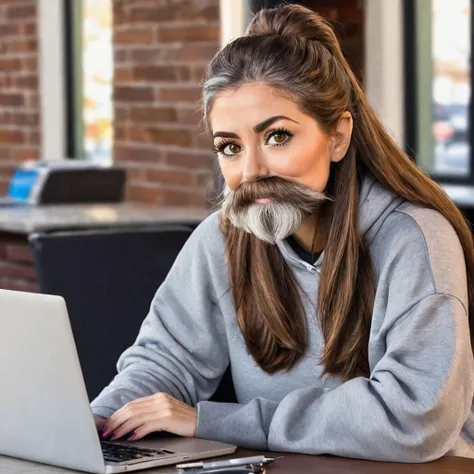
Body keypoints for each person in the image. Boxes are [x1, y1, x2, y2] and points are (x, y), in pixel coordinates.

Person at [91, 4, 474, 462]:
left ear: (338, 136)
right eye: (229, 147)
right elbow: (165, 363)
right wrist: (99, 424)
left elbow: (415, 417)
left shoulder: (415, 240)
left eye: (277, 137)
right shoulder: (223, 239)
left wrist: (215, 421)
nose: (251, 171)